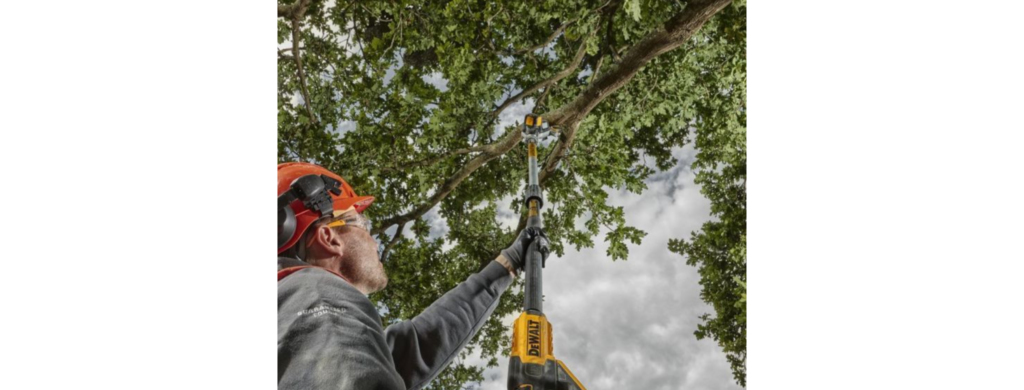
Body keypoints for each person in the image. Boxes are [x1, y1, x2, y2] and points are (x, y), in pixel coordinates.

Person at [277, 162, 547, 390]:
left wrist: (507, 263)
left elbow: (419, 342)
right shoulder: (315, 291)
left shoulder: (297, 319)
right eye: (362, 224)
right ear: (329, 238)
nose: (374, 241)